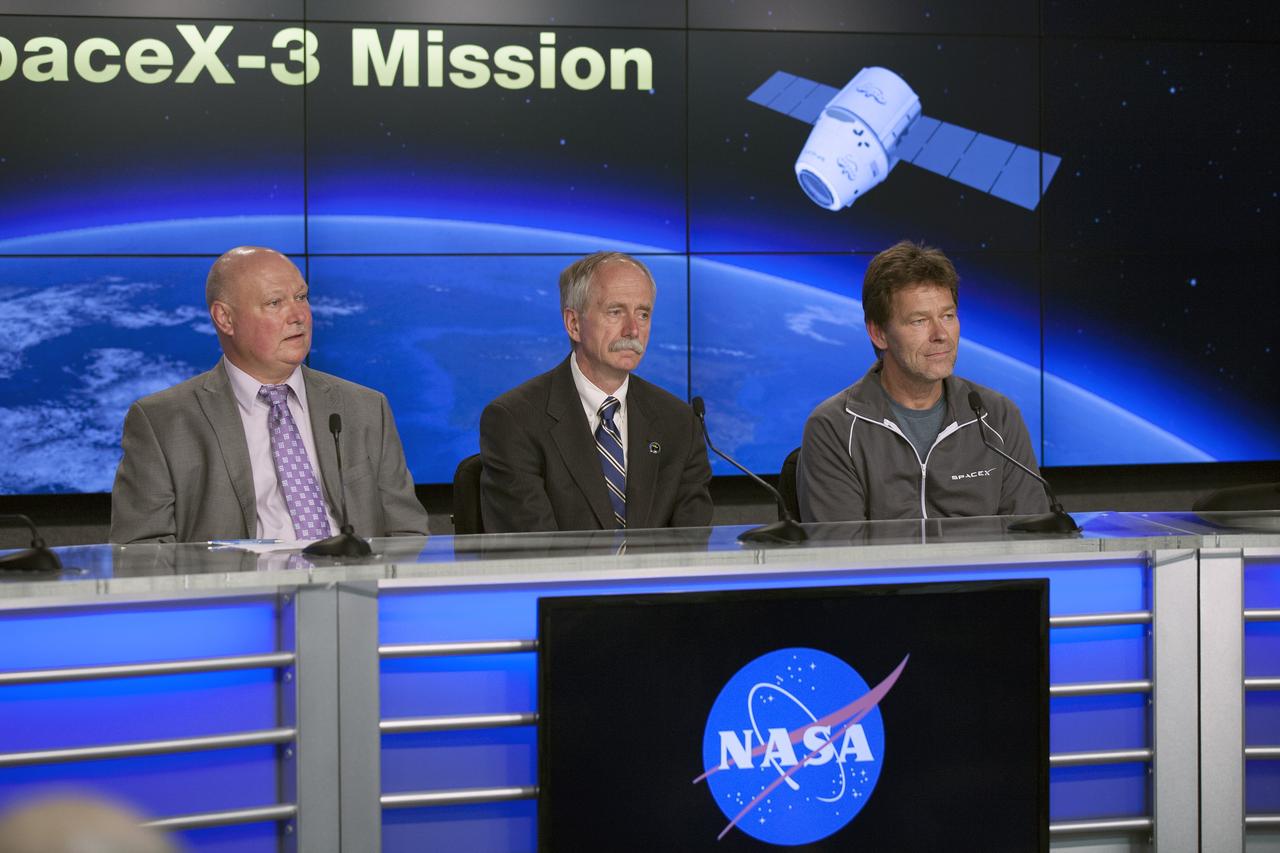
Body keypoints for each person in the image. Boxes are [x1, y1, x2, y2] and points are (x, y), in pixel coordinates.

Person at [110, 247, 428, 543]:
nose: (298, 315)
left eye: (301, 297)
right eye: (275, 303)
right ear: (225, 318)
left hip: (351, 595)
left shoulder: (366, 409)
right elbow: (142, 554)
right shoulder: (162, 422)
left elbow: (407, 533)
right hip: (235, 598)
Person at [797, 240, 1049, 522]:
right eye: (919, 321)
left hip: (978, 568)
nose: (941, 334)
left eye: (948, 316)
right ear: (879, 333)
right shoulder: (834, 427)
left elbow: (1032, 538)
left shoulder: (998, 416)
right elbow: (840, 552)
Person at [479, 251, 712, 532]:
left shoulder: (679, 423)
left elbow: (693, 547)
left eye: (643, 314)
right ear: (574, 324)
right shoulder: (515, 421)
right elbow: (533, 554)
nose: (633, 330)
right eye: (615, 312)